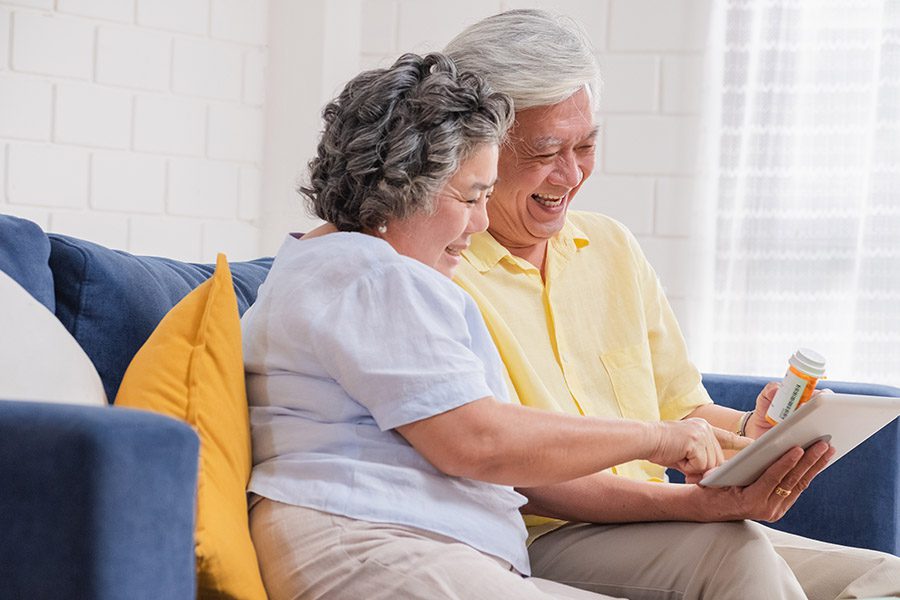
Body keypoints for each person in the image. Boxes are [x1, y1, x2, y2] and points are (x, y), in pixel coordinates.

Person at [241, 53, 745, 600]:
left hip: (400, 543)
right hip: (377, 546)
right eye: (471, 197)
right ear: (401, 188)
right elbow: (478, 441)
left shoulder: (343, 268)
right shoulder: (374, 276)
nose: (481, 222)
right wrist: (658, 439)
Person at [444, 9, 900, 600]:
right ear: (475, 149)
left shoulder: (608, 245)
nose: (571, 172)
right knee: (734, 557)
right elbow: (514, 469)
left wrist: (751, 432)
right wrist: (693, 504)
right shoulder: (444, 272)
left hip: (658, 520)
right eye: (545, 151)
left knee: (884, 577)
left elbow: (683, 410)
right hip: (544, 536)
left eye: (586, 145)